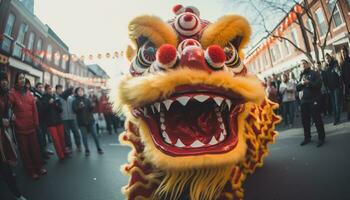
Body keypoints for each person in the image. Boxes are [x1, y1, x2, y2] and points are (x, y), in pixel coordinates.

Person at [9, 72, 47, 179]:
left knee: (35, 149)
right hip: (20, 129)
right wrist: (12, 117)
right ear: (16, 80)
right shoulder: (12, 94)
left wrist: (36, 123)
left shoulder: (30, 93)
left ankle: (39, 167)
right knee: (25, 152)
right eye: (20, 78)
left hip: (32, 127)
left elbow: (34, 110)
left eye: (24, 78)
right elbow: (8, 108)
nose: (23, 80)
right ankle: (31, 171)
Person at [0, 71, 27, 200]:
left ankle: (16, 193)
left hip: (2, 135)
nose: (4, 82)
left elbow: (6, 113)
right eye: (1, 80)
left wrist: (10, 117)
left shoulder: (5, 95)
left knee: (5, 164)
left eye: (5, 79)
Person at [296, 59, 325, 147]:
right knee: (305, 121)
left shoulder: (314, 73)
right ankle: (307, 138)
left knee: (317, 119)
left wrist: (309, 83)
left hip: (313, 100)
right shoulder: (301, 75)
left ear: (308, 64)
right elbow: (297, 88)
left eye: (304, 63)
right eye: (301, 65)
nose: (303, 65)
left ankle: (321, 138)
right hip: (304, 101)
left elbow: (319, 85)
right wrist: (301, 83)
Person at [73, 87, 104, 156]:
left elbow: (90, 109)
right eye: (79, 91)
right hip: (81, 122)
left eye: (82, 91)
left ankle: (99, 148)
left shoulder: (87, 100)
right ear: (76, 93)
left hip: (90, 120)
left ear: (83, 92)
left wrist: (92, 106)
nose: (80, 92)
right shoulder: (74, 101)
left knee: (95, 135)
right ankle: (87, 150)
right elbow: (74, 111)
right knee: (84, 137)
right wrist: (79, 107)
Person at [42, 84, 66, 160]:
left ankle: (64, 151)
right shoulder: (43, 99)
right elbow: (43, 111)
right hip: (51, 123)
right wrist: (49, 104)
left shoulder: (55, 97)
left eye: (51, 89)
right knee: (56, 140)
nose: (50, 90)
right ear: (46, 90)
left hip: (59, 121)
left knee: (62, 138)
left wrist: (55, 104)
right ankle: (60, 155)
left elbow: (60, 110)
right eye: (49, 89)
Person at [56, 85, 82, 152]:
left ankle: (78, 145)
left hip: (72, 117)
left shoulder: (71, 98)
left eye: (61, 89)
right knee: (66, 134)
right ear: (56, 90)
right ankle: (69, 146)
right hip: (64, 118)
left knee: (76, 132)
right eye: (58, 89)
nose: (60, 90)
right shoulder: (58, 99)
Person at [324, 53, 342, 125]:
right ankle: (335, 118)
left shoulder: (335, 64)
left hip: (336, 87)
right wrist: (326, 87)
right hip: (330, 89)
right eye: (326, 58)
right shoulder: (325, 68)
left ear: (330, 58)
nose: (327, 59)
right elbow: (325, 79)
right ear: (325, 60)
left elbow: (339, 74)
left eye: (328, 58)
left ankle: (337, 118)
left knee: (337, 104)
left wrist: (337, 70)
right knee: (333, 104)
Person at [340, 46, 350, 120]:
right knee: (348, 101)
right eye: (342, 53)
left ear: (347, 52)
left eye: (344, 52)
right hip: (346, 86)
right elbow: (342, 76)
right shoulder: (342, 63)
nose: (343, 54)